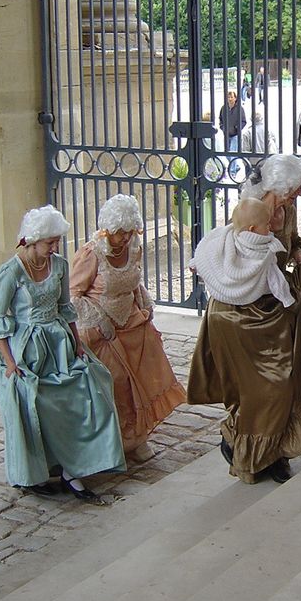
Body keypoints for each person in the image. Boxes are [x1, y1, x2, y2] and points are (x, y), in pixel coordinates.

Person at [187, 156, 301, 483]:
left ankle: (275, 451)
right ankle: (242, 445)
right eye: (296, 188)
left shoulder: (287, 210)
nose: (299, 194)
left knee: (284, 383)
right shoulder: (252, 209)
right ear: (279, 187)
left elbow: (290, 244)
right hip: (240, 315)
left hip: (274, 313)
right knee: (258, 390)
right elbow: (229, 252)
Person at [0, 205, 125, 503]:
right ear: (32, 239)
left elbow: (66, 307)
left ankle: (74, 466)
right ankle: (35, 473)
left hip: (58, 343)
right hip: (25, 349)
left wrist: (76, 341)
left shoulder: (59, 265)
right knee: (35, 407)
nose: (55, 246)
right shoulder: (11, 271)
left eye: (57, 241)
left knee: (92, 387)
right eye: (50, 242)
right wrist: (9, 363)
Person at [69, 194, 186, 456]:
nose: (125, 237)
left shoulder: (133, 247)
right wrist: (99, 321)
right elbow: (73, 295)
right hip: (103, 331)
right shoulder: (91, 254)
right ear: (108, 229)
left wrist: (145, 303)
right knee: (118, 384)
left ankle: (137, 437)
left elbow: (134, 281)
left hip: (133, 324)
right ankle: (116, 442)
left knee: (142, 382)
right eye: (121, 232)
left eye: (129, 231)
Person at [218, 89, 247, 154]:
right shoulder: (223, 108)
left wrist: (237, 128)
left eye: (231, 97)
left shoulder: (240, 108)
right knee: (227, 153)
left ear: (235, 98)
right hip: (226, 135)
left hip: (235, 135)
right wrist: (223, 127)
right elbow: (220, 119)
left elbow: (243, 121)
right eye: (228, 97)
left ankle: (233, 164)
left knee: (233, 154)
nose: (230, 99)